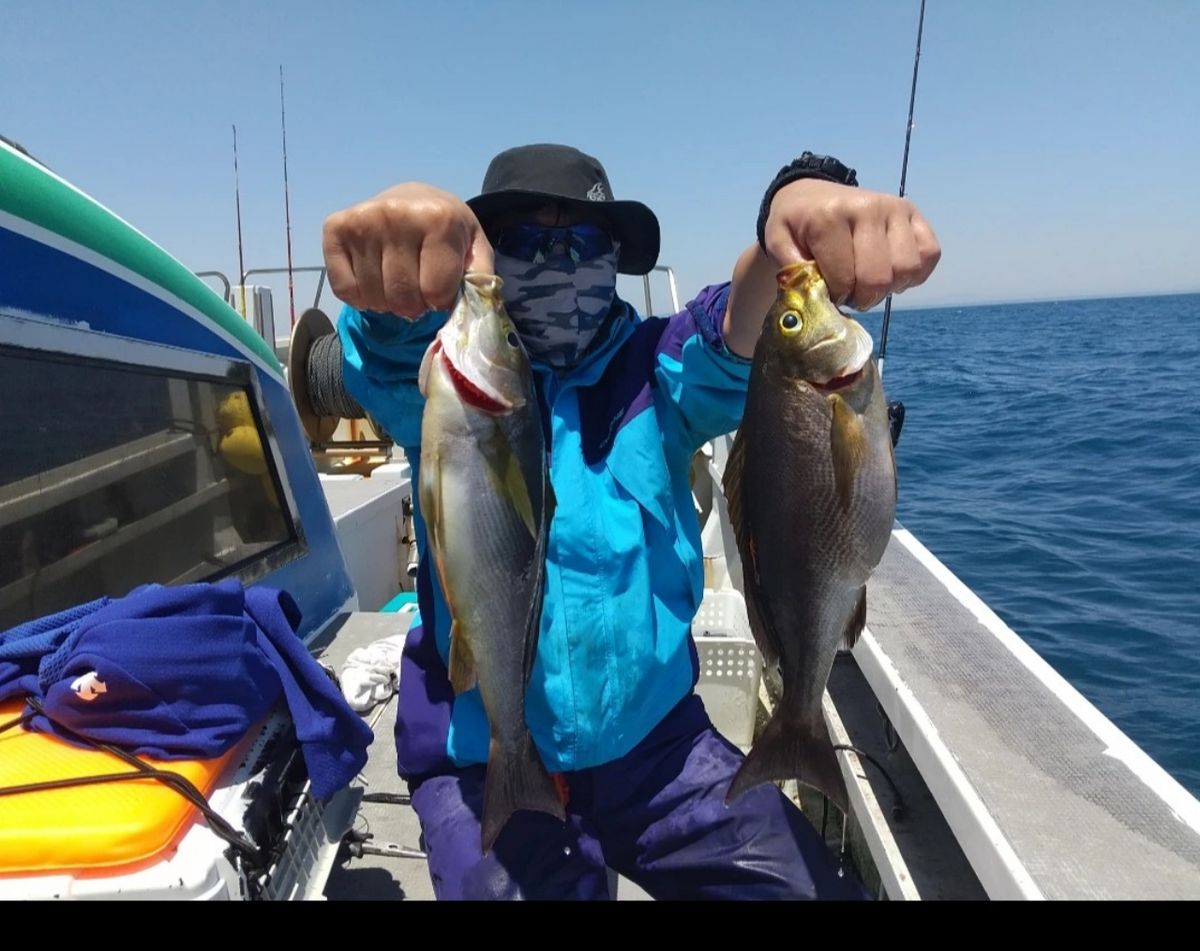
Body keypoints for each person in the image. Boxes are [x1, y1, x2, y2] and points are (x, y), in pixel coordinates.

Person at [323, 144, 940, 900]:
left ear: (616, 261)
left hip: (657, 747)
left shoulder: (657, 367)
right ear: (481, 257)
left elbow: (739, 328)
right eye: (523, 240)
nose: (558, 262)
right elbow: (385, 354)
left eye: (584, 244)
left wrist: (788, 214)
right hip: (480, 747)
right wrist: (402, 256)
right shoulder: (450, 377)